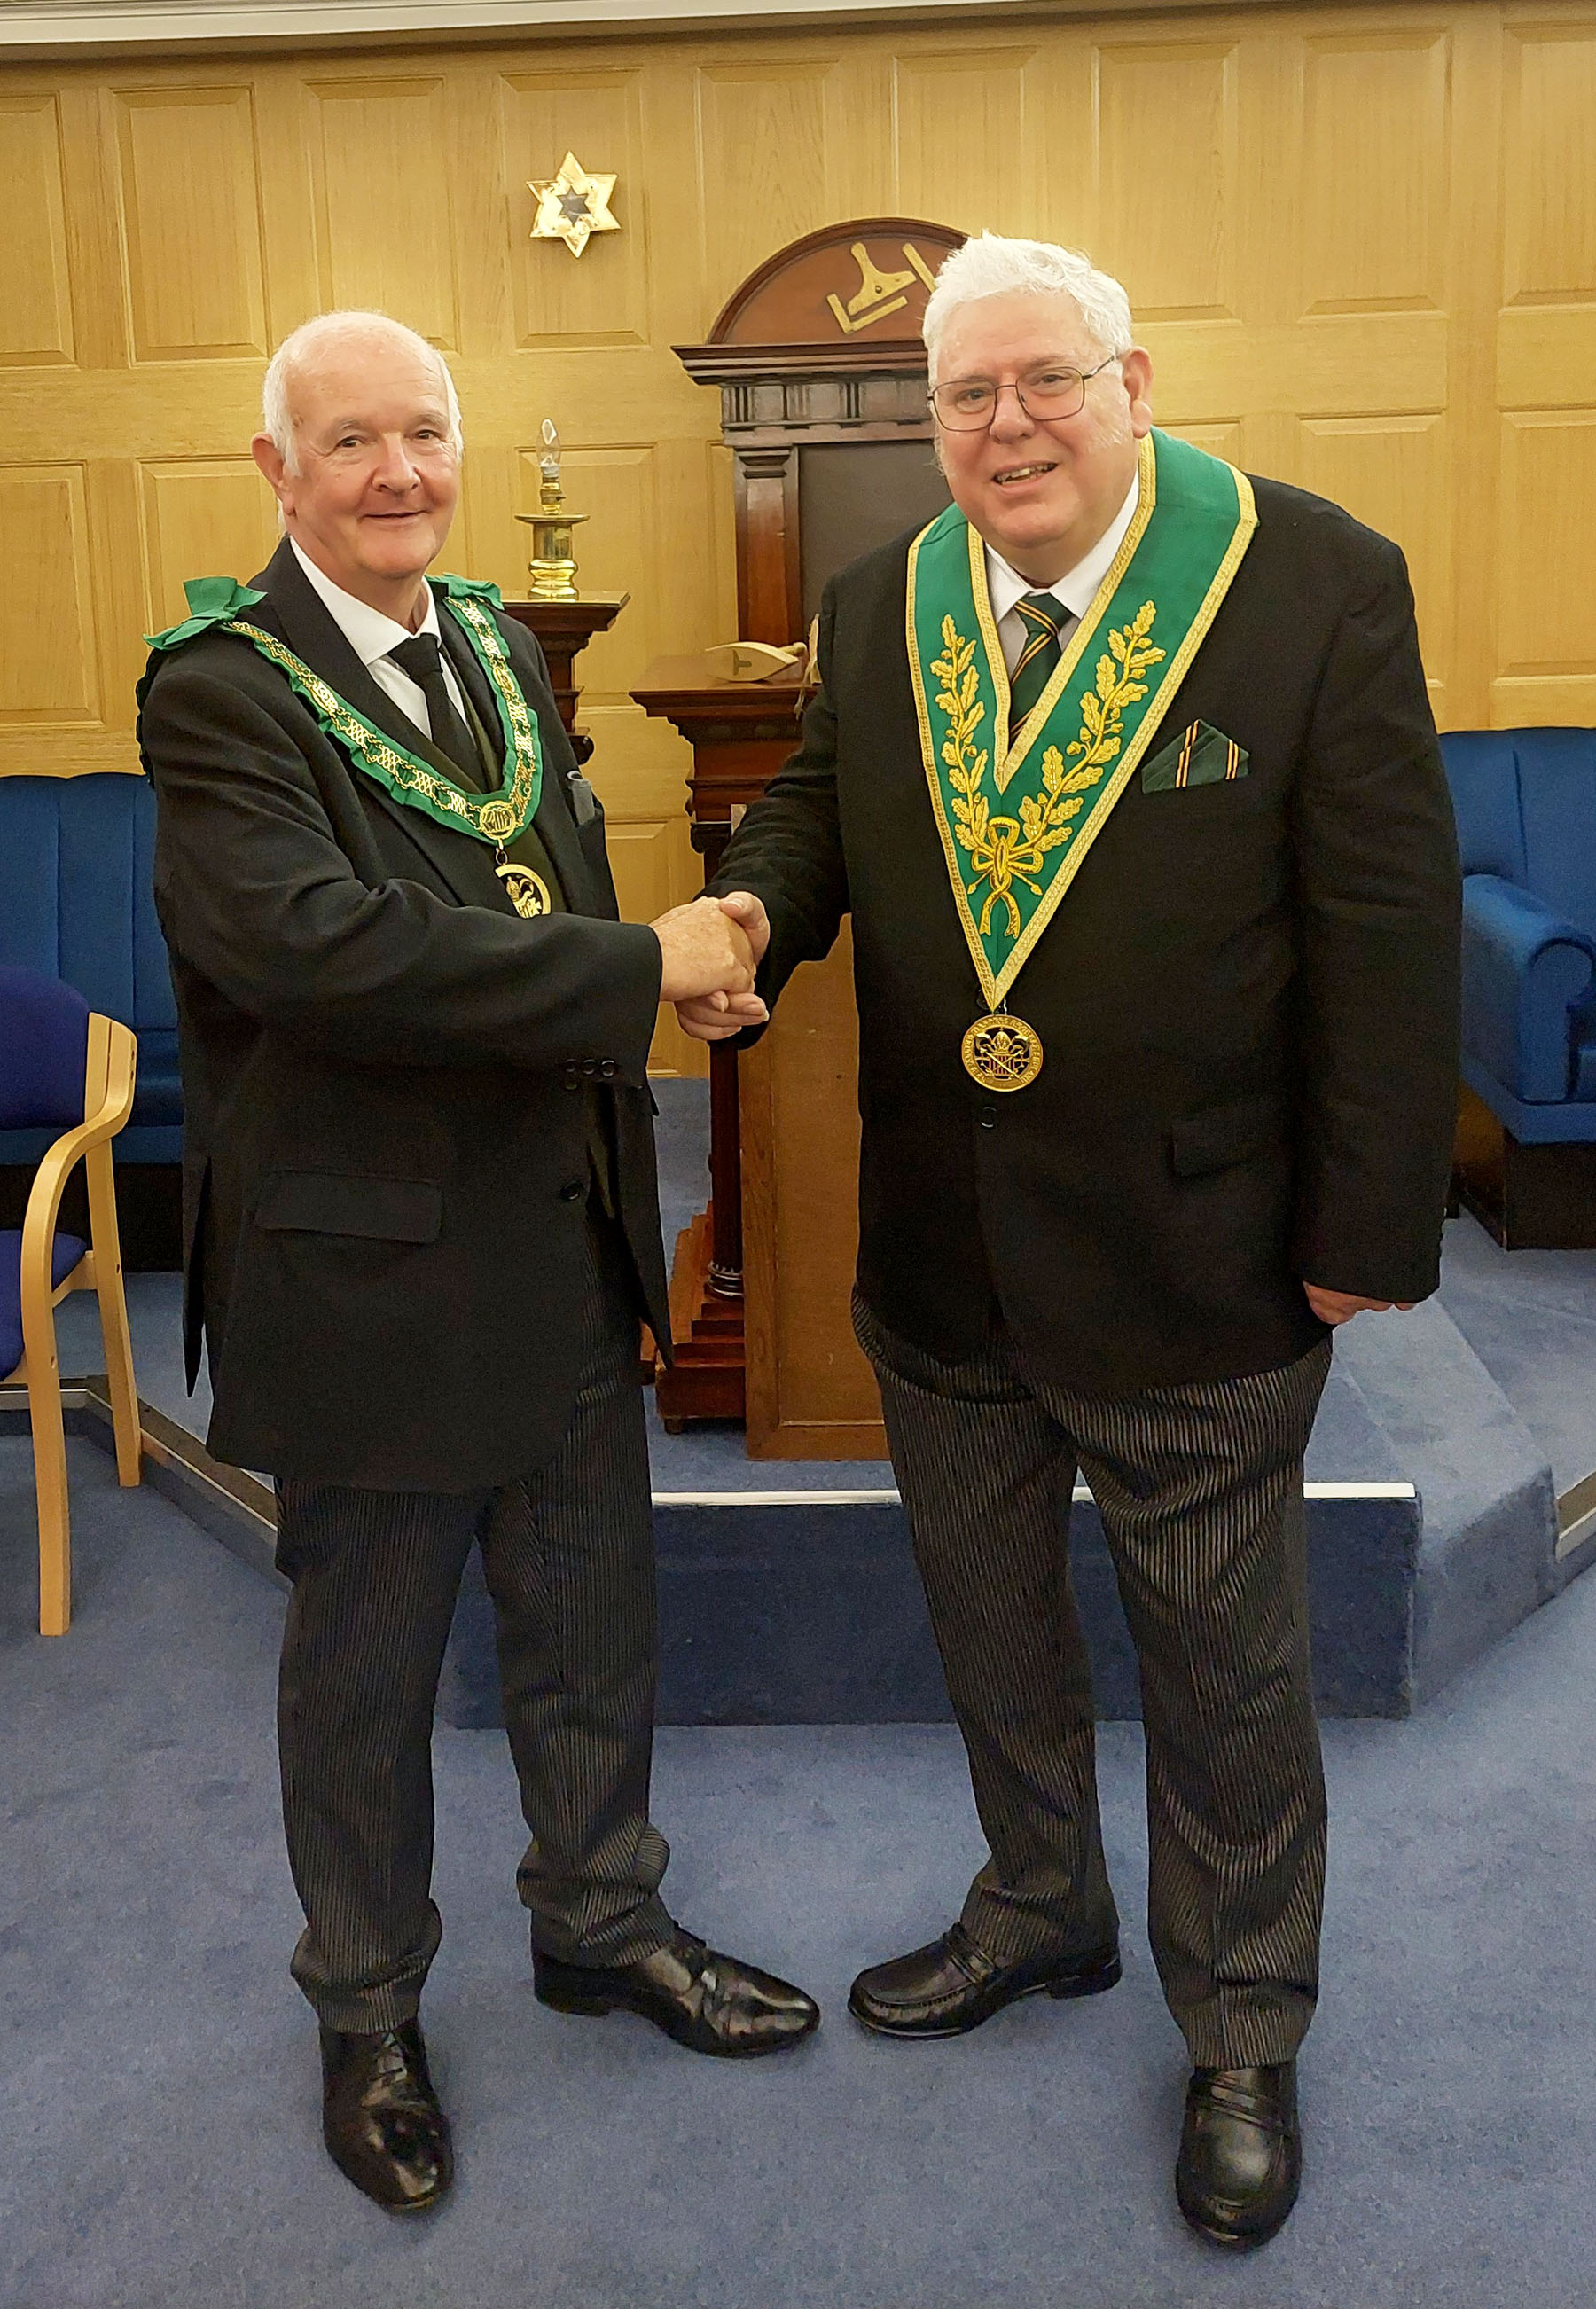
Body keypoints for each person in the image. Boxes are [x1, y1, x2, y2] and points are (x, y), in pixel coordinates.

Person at [684, 233, 1460, 2250]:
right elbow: (819, 815)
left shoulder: (1310, 579)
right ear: (928, 419)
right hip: (945, 1251)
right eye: (966, 395)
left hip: (1203, 1253)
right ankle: (1041, 1907)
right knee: (994, 1628)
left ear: (1132, 379)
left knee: (1223, 1671)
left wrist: (1367, 1225)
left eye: (1044, 381)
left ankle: (1244, 2027)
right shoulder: (887, 607)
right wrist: (759, 911)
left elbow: (1385, 931)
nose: (1006, 425)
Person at [137, 309, 817, 2218]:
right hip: (367, 1267)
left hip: (560, 1231)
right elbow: (320, 951)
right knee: (366, 1671)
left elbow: (545, 886)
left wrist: (695, 987)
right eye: (348, 443)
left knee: (593, 1622)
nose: (398, 475)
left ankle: (600, 1918)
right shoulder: (223, 690)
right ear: (277, 472)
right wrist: (637, 972)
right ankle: (365, 2005)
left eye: (421, 433)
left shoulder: (504, 648)